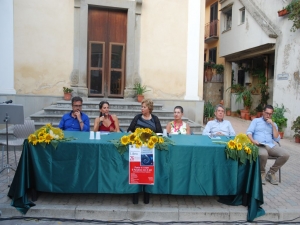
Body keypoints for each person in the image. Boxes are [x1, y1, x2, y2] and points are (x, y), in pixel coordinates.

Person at [246, 105, 289, 185]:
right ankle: (262, 173)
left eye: (270, 114)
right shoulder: (256, 121)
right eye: (266, 113)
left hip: (270, 145)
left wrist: (272, 125)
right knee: (263, 154)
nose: (268, 115)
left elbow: (277, 138)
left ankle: (271, 173)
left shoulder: (273, 124)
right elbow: (249, 132)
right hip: (259, 145)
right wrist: (253, 140)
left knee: (285, 154)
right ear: (263, 112)